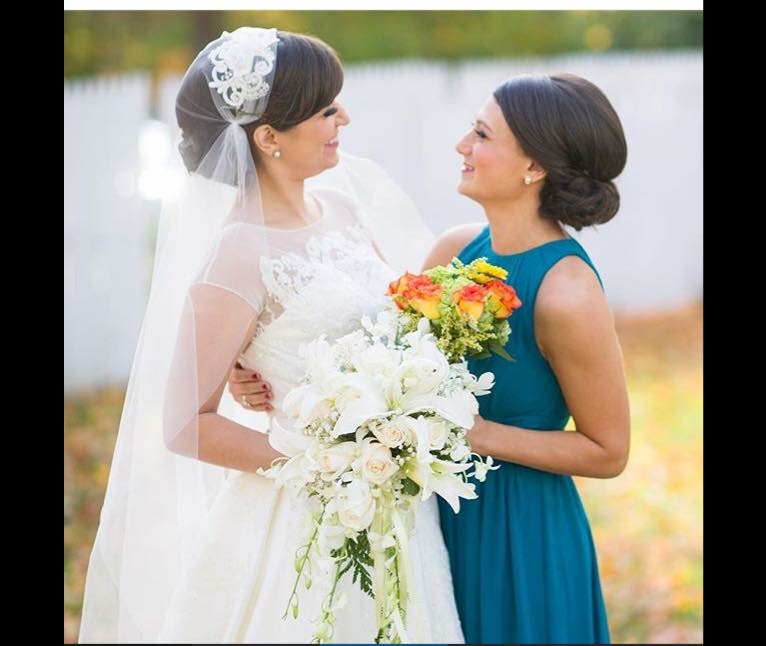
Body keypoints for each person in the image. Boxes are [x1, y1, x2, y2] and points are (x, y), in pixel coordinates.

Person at [79, 27, 463, 643]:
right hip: (304, 519)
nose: (344, 118)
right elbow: (185, 424)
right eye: (326, 110)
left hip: (396, 509)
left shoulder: (343, 210)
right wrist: (329, 463)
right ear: (268, 138)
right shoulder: (238, 253)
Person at [231, 72, 630, 644]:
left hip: (518, 533)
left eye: (482, 135)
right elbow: (382, 357)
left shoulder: (567, 292)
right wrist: (256, 371)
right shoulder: (455, 250)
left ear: (534, 166)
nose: (462, 146)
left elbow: (609, 450)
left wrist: (474, 433)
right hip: (424, 526)